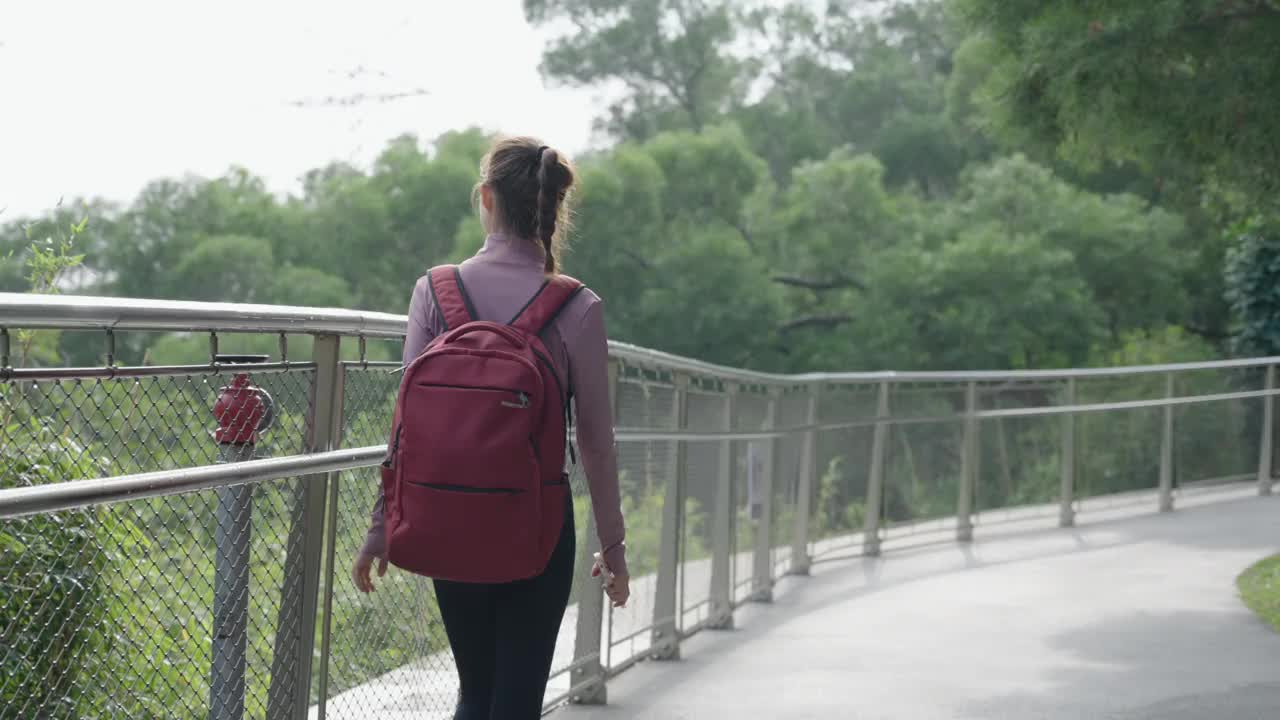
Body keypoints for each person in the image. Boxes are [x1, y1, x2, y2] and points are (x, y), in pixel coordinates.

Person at [351, 136, 630, 719]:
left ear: (486, 199)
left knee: (476, 691)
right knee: (517, 699)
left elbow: (404, 429)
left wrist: (383, 526)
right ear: (555, 209)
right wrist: (614, 545)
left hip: (447, 517)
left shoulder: (435, 291)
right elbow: (596, 442)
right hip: (539, 523)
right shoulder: (578, 306)